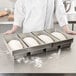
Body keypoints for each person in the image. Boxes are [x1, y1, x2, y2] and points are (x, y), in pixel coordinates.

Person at [4, 0, 76, 35]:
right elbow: (19, 11)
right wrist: (13, 30)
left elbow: (59, 9)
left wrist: (66, 29)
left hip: (48, 32)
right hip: (29, 33)